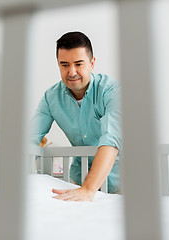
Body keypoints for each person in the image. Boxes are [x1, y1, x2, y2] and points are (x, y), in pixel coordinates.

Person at [31, 31, 122, 201]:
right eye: (64, 65)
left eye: (79, 64)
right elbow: (29, 138)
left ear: (92, 63)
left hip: (121, 182)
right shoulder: (51, 98)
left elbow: (112, 139)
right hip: (79, 181)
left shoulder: (110, 91)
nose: (72, 72)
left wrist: (88, 190)